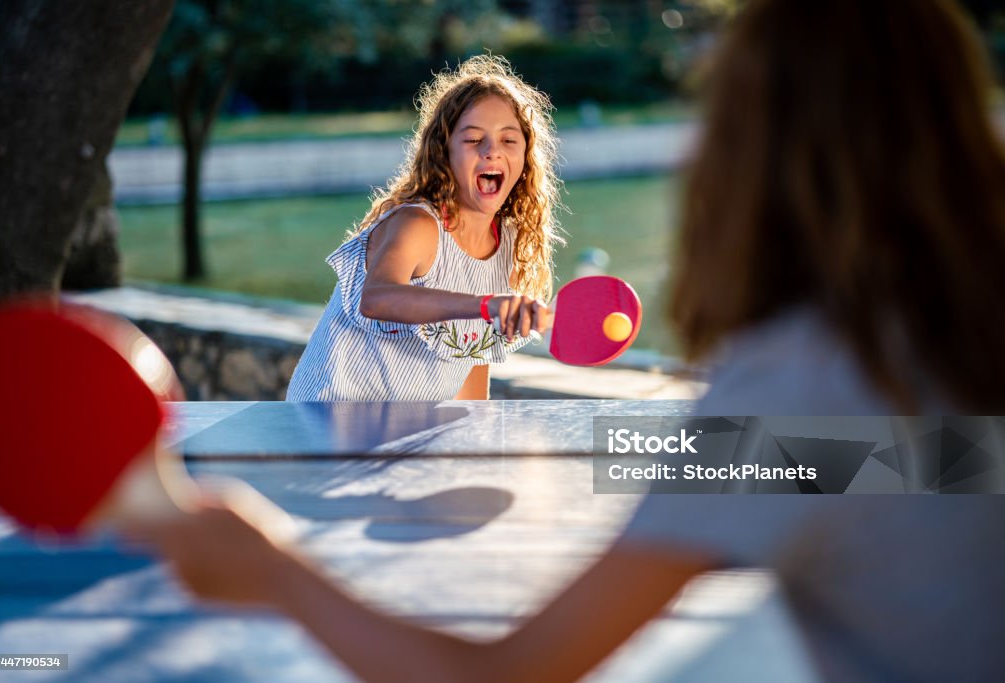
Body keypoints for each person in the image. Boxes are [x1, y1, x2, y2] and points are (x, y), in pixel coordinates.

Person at [132, 1, 1005, 681]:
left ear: (748, 154)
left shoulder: (798, 376)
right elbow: (896, 464)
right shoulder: (949, 342)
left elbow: (500, 673)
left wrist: (271, 568)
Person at [286, 55, 563, 401]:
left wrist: (475, 439)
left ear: (524, 157)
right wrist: (487, 304)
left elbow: (471, 358)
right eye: (474, 139)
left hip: (404, 430)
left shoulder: (507, 246)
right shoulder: (417, 224)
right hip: (331, 414)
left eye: (509, 140)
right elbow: (377, 298)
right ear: (443, 152)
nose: (492, 151)